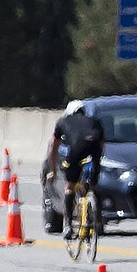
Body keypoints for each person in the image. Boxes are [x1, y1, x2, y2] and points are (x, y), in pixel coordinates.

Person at [46, 99, 105, 236]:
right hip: (94, 148)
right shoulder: (95, 121)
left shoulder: (63, 121)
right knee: (94, 185)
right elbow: (102, 144)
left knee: (69, 187)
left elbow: (53, 146)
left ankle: (67, 225)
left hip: (76, 150)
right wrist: (96, 166)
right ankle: (98, 220)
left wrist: (53, 170)